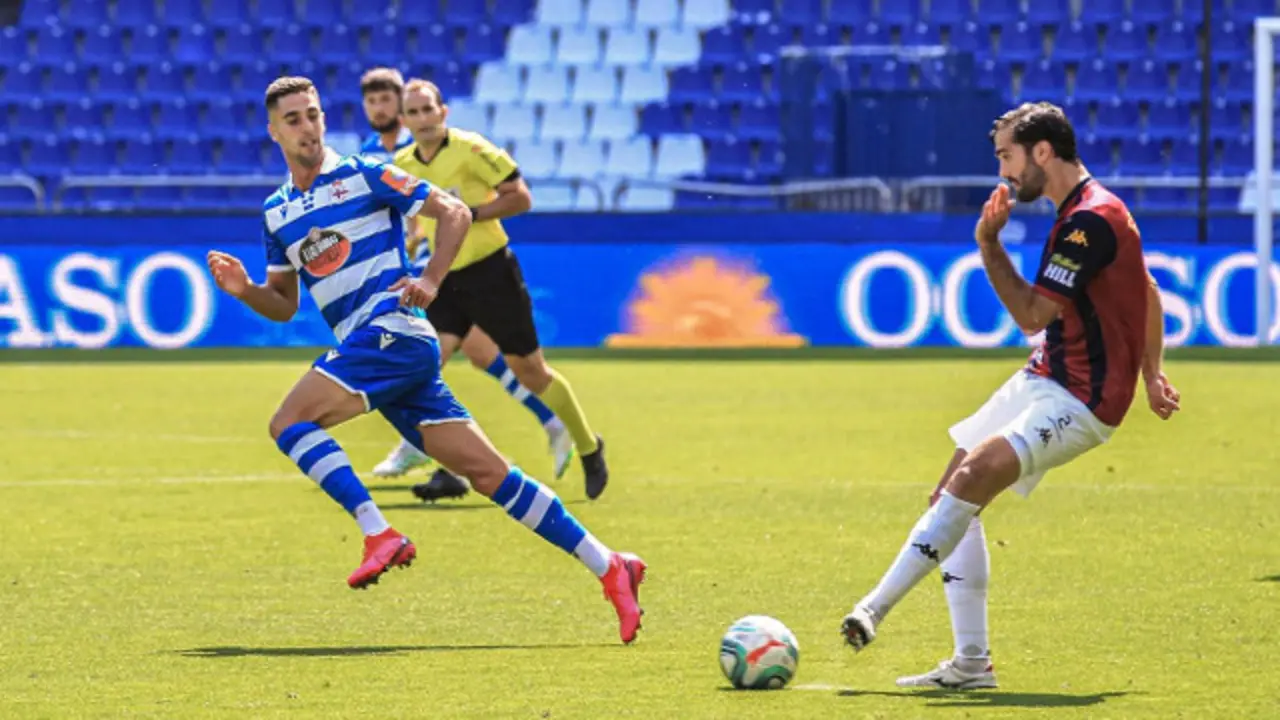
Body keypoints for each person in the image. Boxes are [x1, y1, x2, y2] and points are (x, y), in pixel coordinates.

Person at [206, 77, 646, 643]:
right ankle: (611, 566)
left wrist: (432, 278)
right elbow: (284, 305)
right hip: (382, 351)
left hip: (392, 332)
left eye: (312, 115)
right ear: (274, 132)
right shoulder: (276, 213)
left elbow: (454, 211)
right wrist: (243, 289)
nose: (306, 127)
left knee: (288, 422)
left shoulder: (364, 173)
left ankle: (378, 533)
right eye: (292, 119)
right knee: (490, 475)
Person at [839, 102, 1182, 688]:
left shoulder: (1088, 223)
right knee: (948, 497)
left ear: (1041, 152)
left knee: (974, 476)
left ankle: (872, 608)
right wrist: (1153, 373)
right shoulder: (1087, 210)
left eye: (1006, 156)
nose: (1003, 171)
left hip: (1083, 399)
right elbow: (1146, 288)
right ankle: (972, 664)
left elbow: (1031, 313)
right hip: (1046, 374)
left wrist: (988, 244)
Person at [392, 77, 610, 504]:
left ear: (443, 112)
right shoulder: (403, 163)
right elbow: (413, 213)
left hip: (492, 272)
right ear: (404, 120)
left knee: (531, 371)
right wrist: (415, 235)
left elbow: (520, 197)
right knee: (424, 363)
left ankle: (587, 445)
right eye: (413, 113)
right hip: (447, 279)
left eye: (427, 110)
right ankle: (450, 464)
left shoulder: (472, 149)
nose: (422, 119)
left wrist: (470, 213)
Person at [358, 67, 572, 486]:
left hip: (448, 267)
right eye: (372, 101)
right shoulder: (370, 150)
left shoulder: (421, 145)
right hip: (421, 265)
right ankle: (538, 429)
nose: (380, 108)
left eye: (387, 100)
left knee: (429, 356)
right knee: (471, 354)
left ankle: (430, 448)